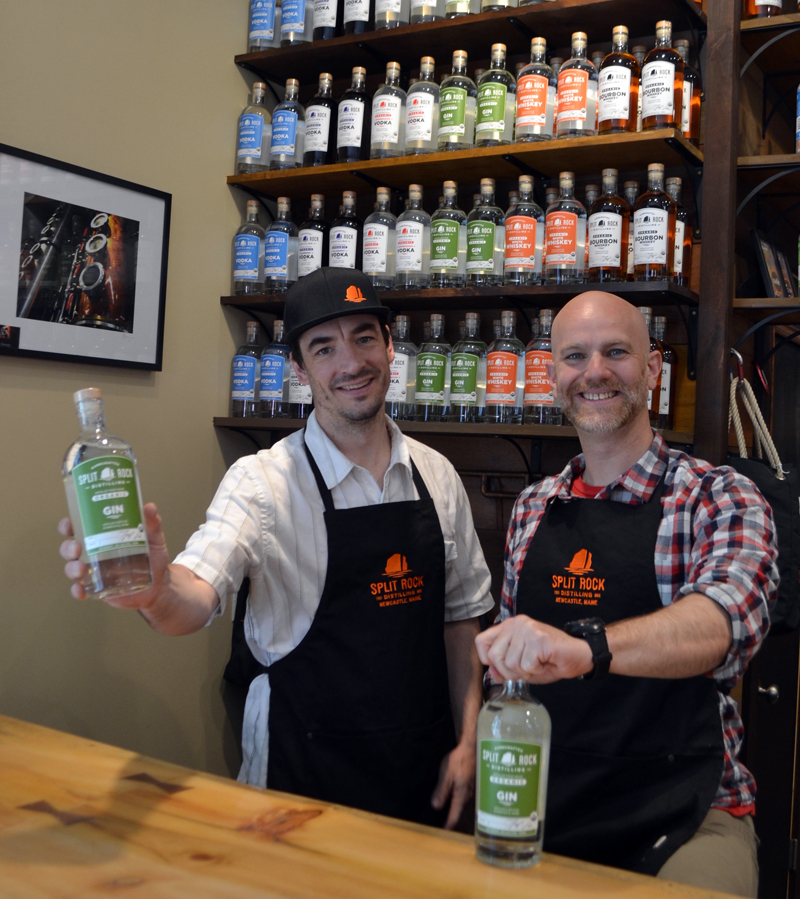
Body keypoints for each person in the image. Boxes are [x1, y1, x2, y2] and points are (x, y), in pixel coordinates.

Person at [60, 267, 493, 829]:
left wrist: (469, 740)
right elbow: (193, 597)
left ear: (390, 346)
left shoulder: (437, 474)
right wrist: (155, 591)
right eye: (323, 348)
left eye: (364, 337)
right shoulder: (259, 483)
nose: (350, 363)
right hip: (300, 769)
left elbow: (460, 621)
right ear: (299, 368)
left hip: (426, 771)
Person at [475, 292, 778, 897]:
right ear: (553, 374)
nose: (595, 372)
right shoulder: (534, 507)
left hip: (684, 810)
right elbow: (507, 682)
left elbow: (725, 623)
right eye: (574, 356)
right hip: (548, 796)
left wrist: (586, 648)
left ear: (652, 369)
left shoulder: (718, 497)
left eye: (617, 352)